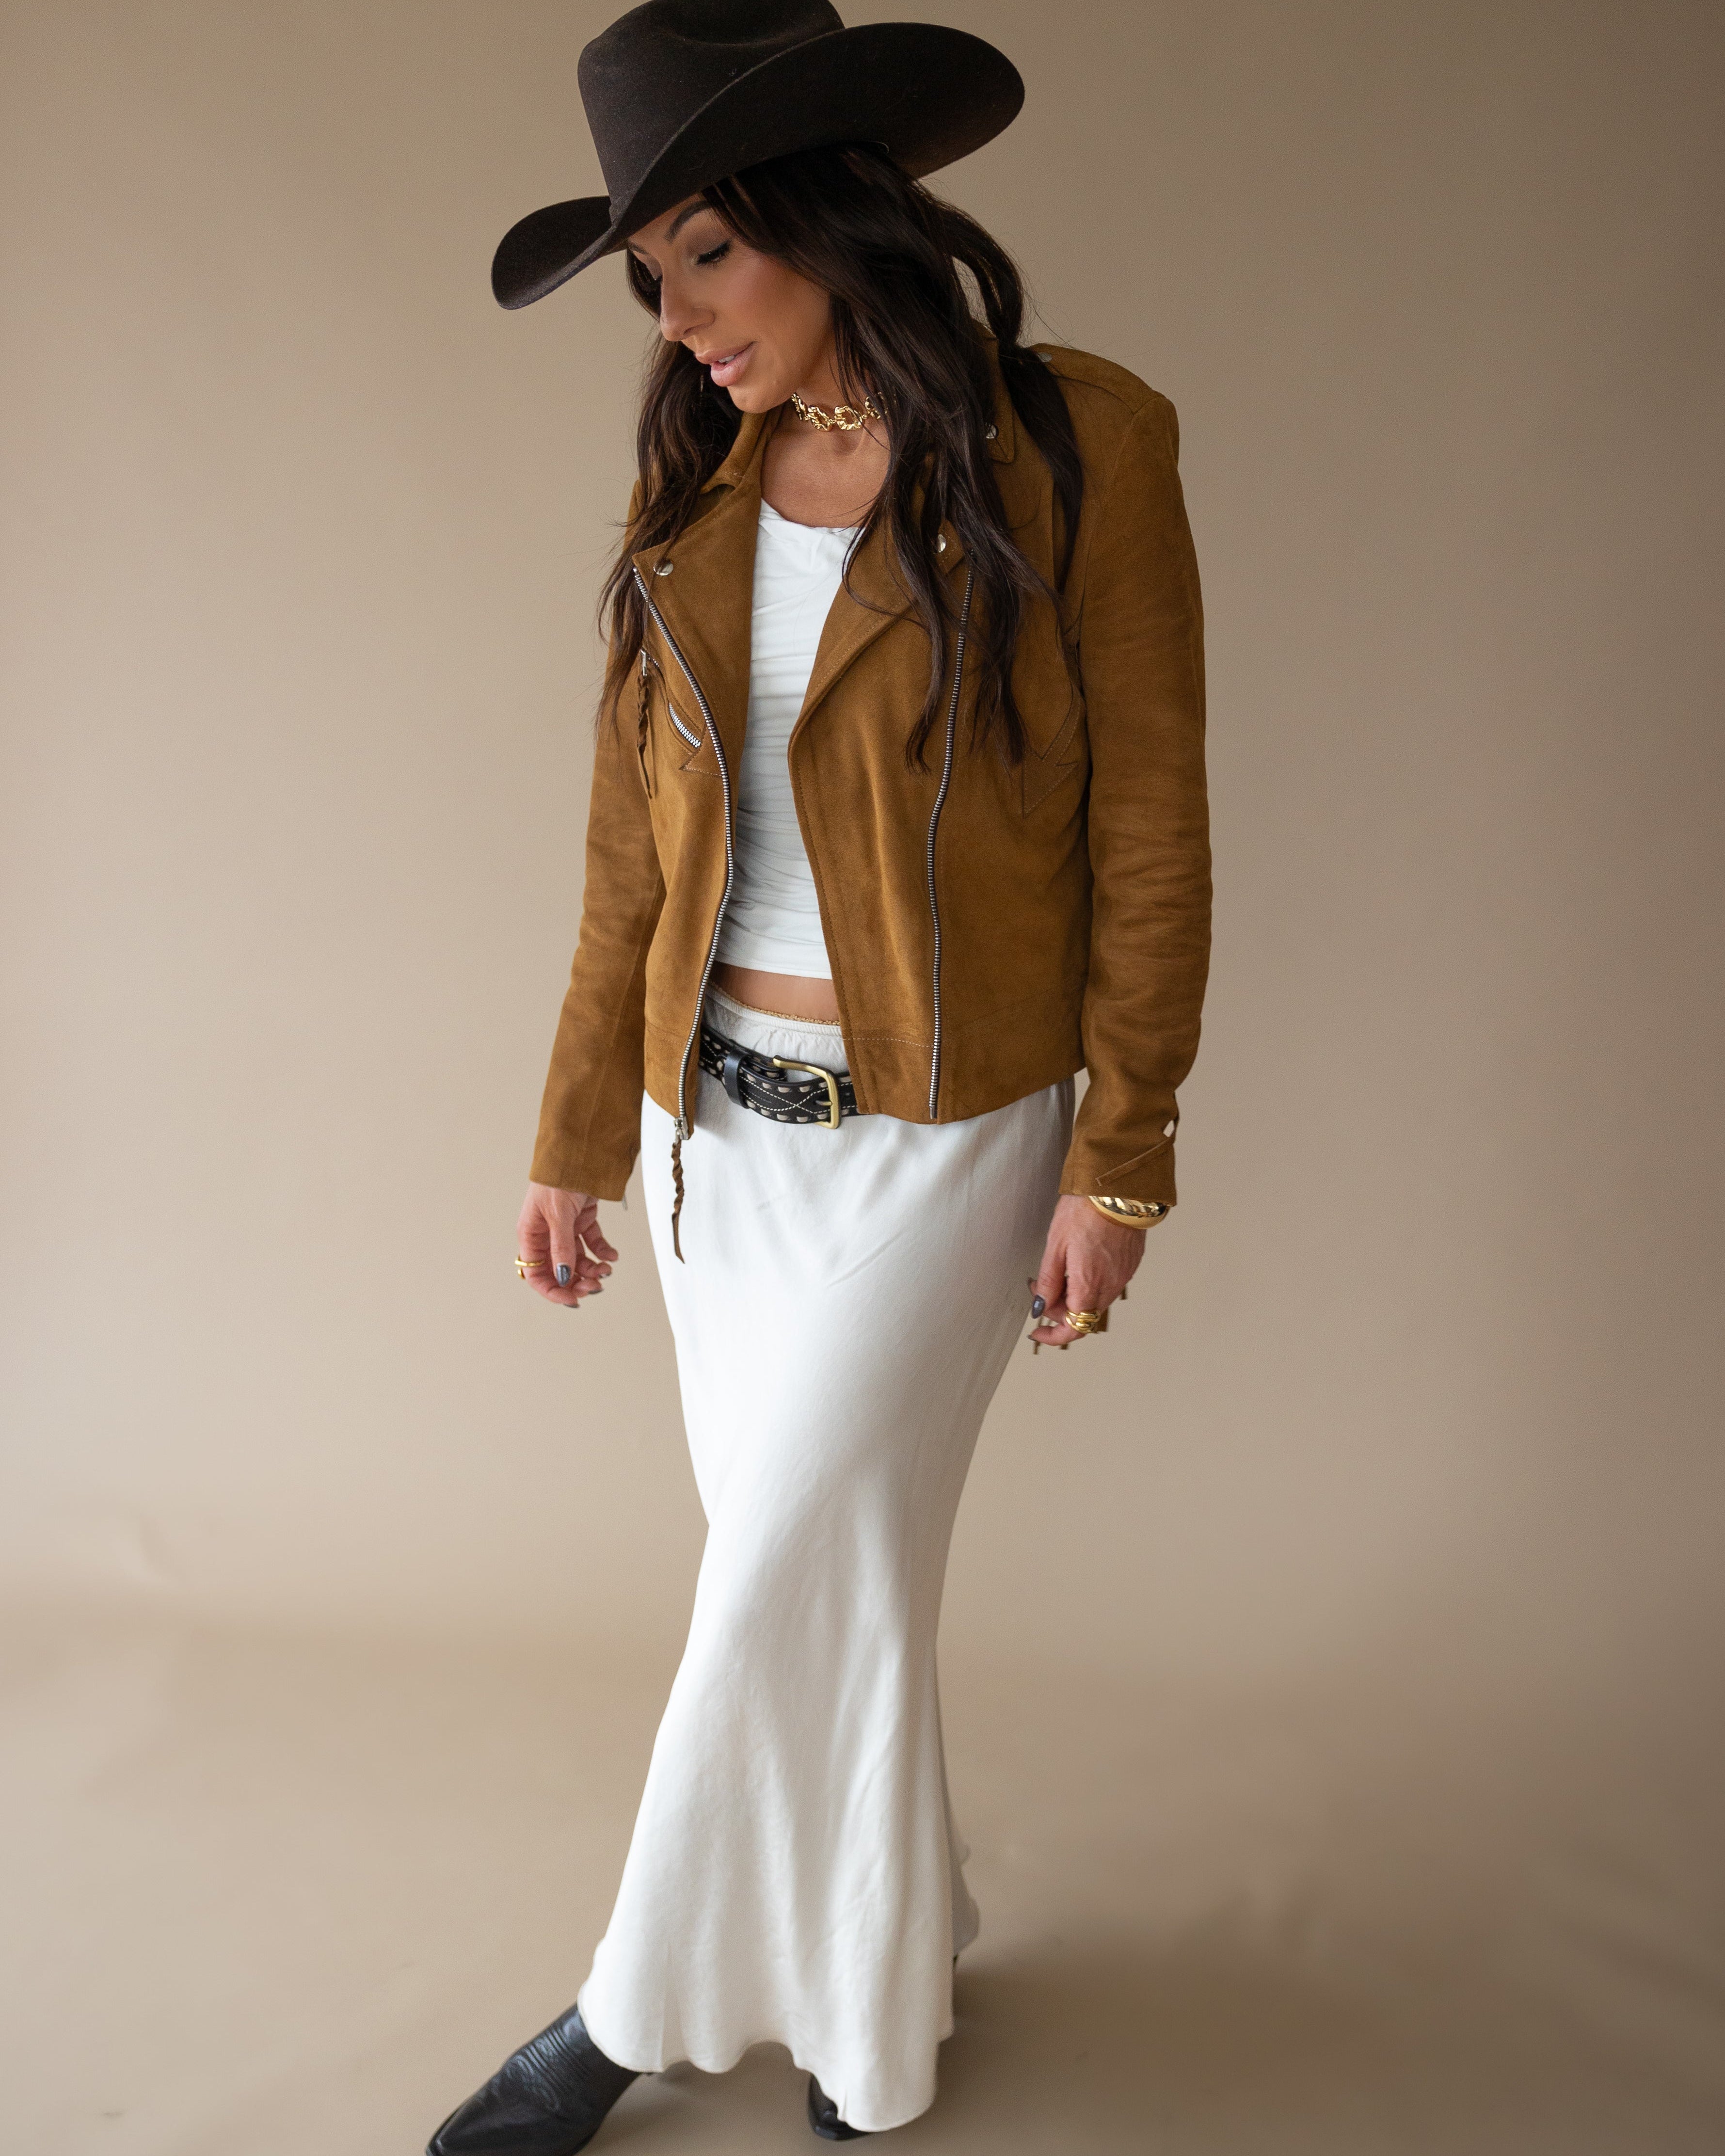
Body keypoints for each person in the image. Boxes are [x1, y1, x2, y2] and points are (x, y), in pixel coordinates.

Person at [429, 1, 1209, 2148]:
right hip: (716, 1147)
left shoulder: (1078, 451)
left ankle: (613, 2018)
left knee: (779, 1565)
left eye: (703, 258)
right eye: (652, 280)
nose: (678, 320)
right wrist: (576, 1133)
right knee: (824, 1577)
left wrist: (1116, 1160)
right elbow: (627, 858)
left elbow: (1148, 826)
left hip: (948, 1140)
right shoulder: (693, 489)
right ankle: (886, 1970)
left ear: (823, 214)